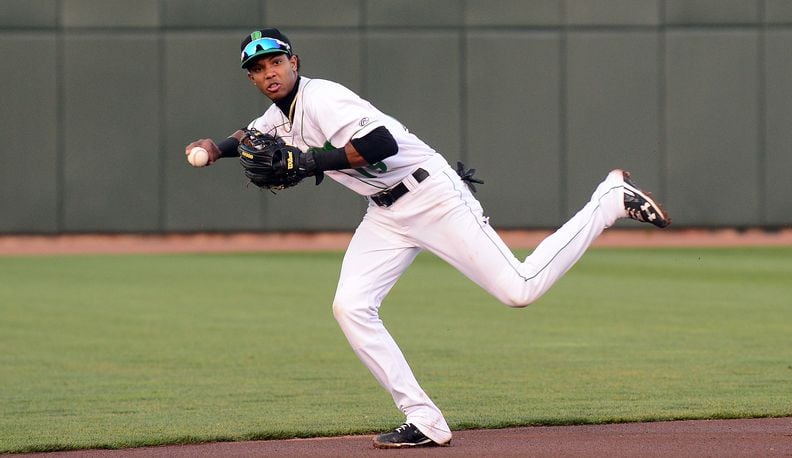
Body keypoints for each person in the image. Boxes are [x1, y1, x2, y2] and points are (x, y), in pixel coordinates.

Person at [185, 28, 671, 449]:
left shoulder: (322, 96)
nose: (269, 72)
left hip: (430, 194)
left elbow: (381, 145)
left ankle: (608, 201)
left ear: (295, 62)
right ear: (251, 78)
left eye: (276, 61)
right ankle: (424, 419)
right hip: (386, 215)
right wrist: (213, 148)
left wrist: (310, 162)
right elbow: (249, 137)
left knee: (518, 291)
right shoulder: (279, 115)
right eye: (258, 67)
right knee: (350, 306)